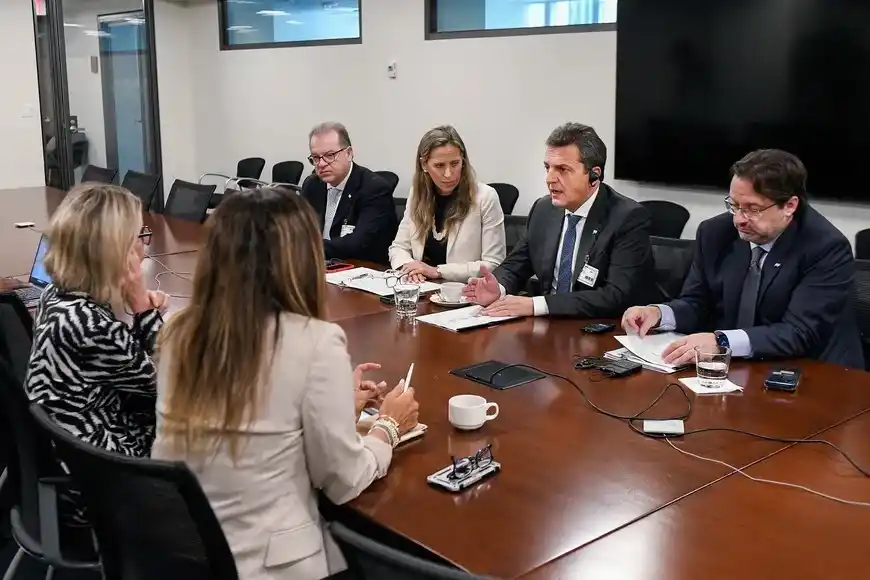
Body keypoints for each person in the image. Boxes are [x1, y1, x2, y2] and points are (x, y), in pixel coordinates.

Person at [151, 187, 419, 580]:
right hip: (269, 565)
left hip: (181, 551)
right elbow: (343, 481)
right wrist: (388, 427)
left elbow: (255, 426)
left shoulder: (178, 331)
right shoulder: (313, 342)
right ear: (300, 261)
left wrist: (338, 406)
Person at [622, 149, 864, 369]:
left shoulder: (825, 247)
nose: (739, 219)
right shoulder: (716, 233)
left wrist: (721, 341)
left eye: (752, 209)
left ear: (789, 205)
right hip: (740, 369)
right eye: (734, 205)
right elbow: (698, 303)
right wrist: (659, 314)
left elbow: (799, 332)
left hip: (815, 375)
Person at [26, 182, 168, 458]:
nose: (144, 245)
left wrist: (134, 306)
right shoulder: (92, 328)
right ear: (115, 251)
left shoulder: (56, 294)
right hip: (106, 461)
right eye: (140, 235)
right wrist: (141, 307)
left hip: (70, 440)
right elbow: (170, 384)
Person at [463, 122, 654, 318]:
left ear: (594, 175)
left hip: (597, 330)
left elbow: (615, 296)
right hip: (548, 329)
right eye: (548, 168)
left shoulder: (627, 218)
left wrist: (536, 305)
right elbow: (516, 265)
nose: (550, 179)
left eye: (562, 169)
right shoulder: (543, 210)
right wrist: (498, 288)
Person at [389, 125, 506, 283]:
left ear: (463, 160)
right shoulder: (416, 194)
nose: (449, 174)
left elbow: (493, 264)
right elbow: (398, 247)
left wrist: (437, 271)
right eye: (439, 166)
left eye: (455, 163)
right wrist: (410, 267)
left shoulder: (485, 197)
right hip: (422, 288)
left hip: (465, 293)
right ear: (424, 165)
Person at [300, 122, 398, 264]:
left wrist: (306, 248)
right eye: (315, 158)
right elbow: (300, 231)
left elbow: (357, 244)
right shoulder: (312, 185)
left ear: (349, 153)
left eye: (329, 155)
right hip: (321, 265)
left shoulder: (374, 188)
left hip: (362, 269)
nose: (321, 164)